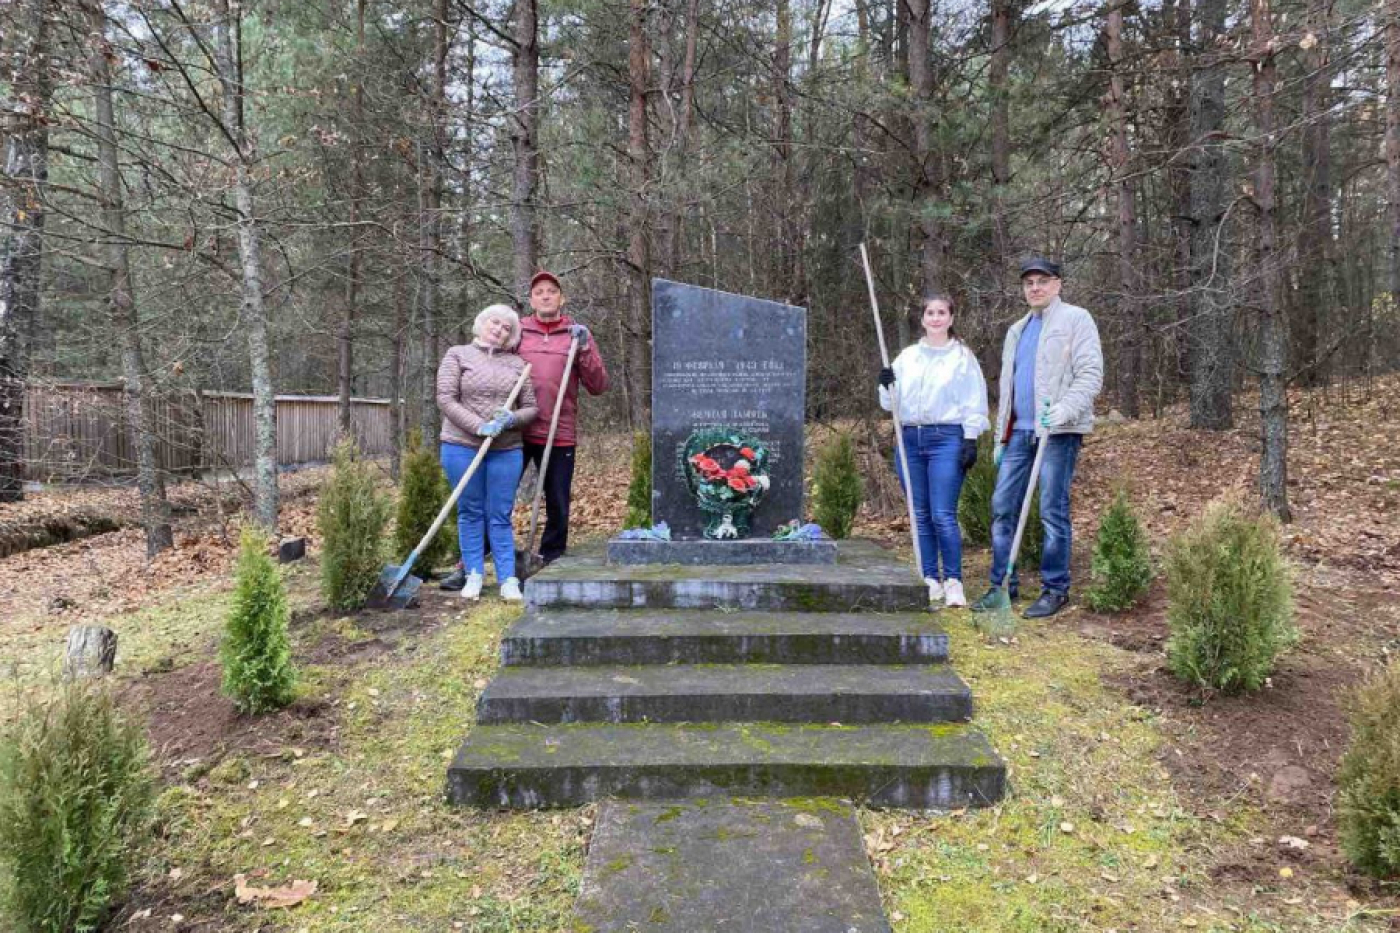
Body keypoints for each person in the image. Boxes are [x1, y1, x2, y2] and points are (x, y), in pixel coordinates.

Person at [971, 257, 1103, 619]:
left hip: (1057, 433)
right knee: (1002, 507)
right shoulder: (1017, 330)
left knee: (1051, 510)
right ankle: (1002, 586)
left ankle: (1055, 588)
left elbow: (1091, 375)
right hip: (1019, 434)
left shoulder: (1076, 320)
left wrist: (1064, 411)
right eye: (1028, 282)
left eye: (1042, 281)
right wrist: (1000, 438)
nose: (1035, 288)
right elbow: (1009, 388)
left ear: (1058, 284)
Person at [878, 294, 989, 608]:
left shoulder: (962, 357)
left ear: (951, 318)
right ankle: (929, 578)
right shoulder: (908, 357)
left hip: (947, 438)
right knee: (921, 514)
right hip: (911, 438)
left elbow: (975, 401)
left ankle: (953, 581)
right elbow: (890, 404)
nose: (936, 317)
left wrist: (970, 438)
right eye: (930, 312)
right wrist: (885, 384)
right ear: (923, 318)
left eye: (942, 312)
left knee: (943, 514)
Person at [436, 304, 539, 601]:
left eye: (507, 328)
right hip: (461, 446)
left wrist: (512, 419)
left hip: (506, 450)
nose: (499, 330)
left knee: (500, 514)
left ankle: (507, 579)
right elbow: (445, 398)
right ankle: (474, 575)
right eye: (495, 323)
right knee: (470, 511)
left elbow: (531, 408)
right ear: (482, 323)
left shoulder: (519, 365)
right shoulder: (458, 354)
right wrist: (479, 426)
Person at [514, 270, 610, 564]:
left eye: (551, 291)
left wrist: (583, 349)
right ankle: (482, 555)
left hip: (559, 430)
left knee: (557, 500)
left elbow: (598, 385)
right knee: (498, 497)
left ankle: (551, 558)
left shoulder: (576, 333)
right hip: (516, 430)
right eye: (539, 291)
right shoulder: (517, 331)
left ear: (562, 298)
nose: (545, 295)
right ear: (531, 300)